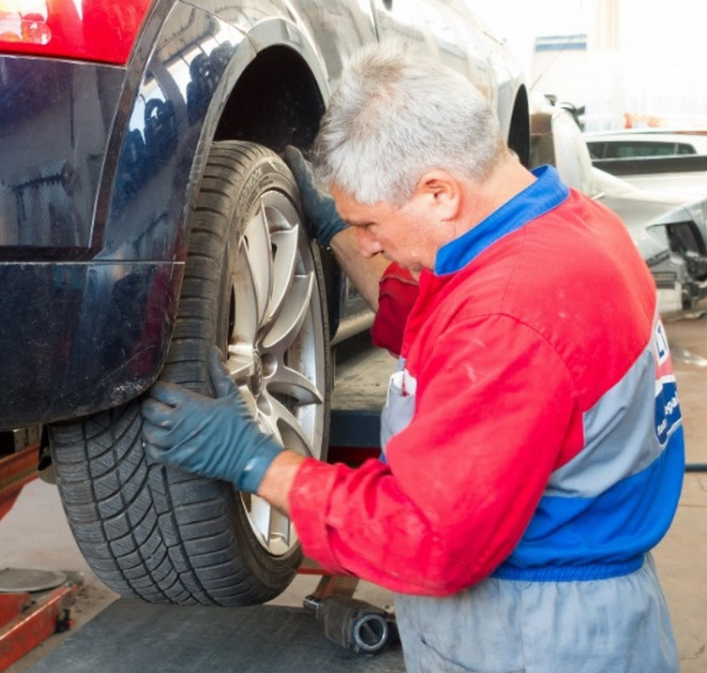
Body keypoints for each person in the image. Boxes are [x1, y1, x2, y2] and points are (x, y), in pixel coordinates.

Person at [140, 42, 684, 672]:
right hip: (566, 610)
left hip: (536, 636)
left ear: (438, 193)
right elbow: (443, 321)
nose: (368, 247)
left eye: (370, 224)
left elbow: (428, 538)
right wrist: (337, 231)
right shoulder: (568, 225)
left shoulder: (512, 315)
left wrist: (258, 463)